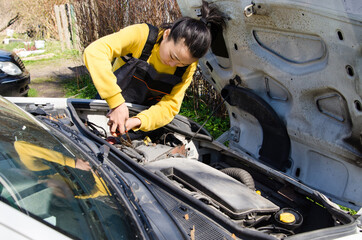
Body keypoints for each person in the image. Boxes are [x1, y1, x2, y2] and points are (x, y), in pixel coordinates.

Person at [83, 0, 226, 137]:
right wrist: (116, 103)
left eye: (181, 64)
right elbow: (94, 52)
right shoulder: (141, 36)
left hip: (144, 120)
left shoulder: (188, 67)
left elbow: (170, 106)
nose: (172, 65)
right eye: (173, 56)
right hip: (107, 107)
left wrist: (138, 121)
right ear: (167, 34)